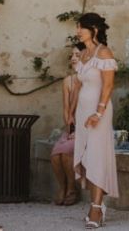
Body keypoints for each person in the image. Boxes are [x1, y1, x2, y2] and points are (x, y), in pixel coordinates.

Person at [74, 13, 118, 229]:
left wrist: (98, 113)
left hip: (98, 112)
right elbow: (80, 85)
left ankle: (96, 208)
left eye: (81, 27)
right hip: (82, 112)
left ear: (94, 30)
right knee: (87, 158)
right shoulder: (82, 54)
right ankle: (95, 203)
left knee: (97, 157)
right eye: (77, 27)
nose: (77, 31)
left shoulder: (104, 53)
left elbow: (108, 86)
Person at [51, 42, 86, 205]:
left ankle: (72, 189)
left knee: (65, 154)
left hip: (87, 128)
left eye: (77, 55)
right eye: (72, 55)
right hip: (72, 128)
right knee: (55, 155)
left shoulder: (91, 79)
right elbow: (66, 108)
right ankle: (62, 187)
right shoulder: (68, 81)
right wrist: (69, 127)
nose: (73, 58)